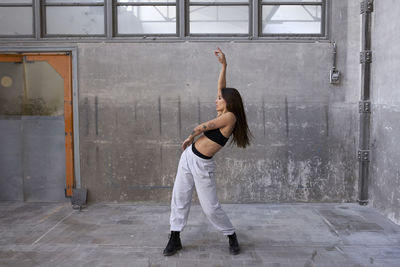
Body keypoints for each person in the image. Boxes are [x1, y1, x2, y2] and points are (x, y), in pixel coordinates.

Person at [163, 48, 252, 256]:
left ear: (228, 102)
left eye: (219, 99)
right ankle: (174, 237)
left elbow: (206, 125)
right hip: (188, 157)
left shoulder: (229, 117)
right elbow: (221, 88)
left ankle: (231, 235)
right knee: (180, 197)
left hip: (202, 164)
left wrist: (191, 136)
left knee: (210, 207)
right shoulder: (224, 110)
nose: (216, 100)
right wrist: (224, 66)